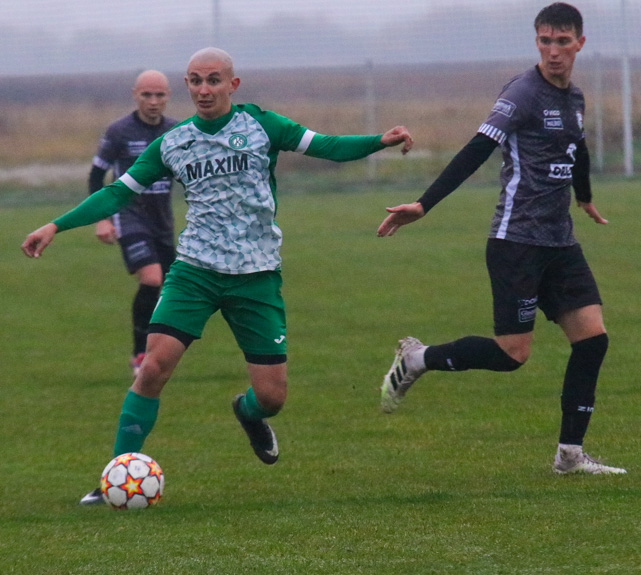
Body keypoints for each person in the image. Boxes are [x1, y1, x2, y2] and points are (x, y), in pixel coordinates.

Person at [22, 47, 414, 504]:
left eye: (213, 80)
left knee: (272, 398)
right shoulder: (172, 142)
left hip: (256, 275)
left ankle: (247, 413)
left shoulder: (263, 125)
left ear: (233, 84)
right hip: (195, 271)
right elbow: (115, 194)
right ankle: (112, 478)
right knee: (152, 368)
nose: (203, 90)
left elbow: (326, 146)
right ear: (186, 86)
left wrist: (378, 141)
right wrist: (56, 225)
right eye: (194, 80)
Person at [376, 3, 624, 475]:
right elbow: (478, 148)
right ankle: (417, 359)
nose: (553, 52)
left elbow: (578, 147)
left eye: (563, 42)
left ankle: (570, 455)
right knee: (513, 355)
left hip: (560, 242)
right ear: (537, 43)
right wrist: (423, 204)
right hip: (517, 242)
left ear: (580, 44)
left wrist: (585, 197)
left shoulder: (574, 98)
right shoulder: (522, 93)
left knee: (592, 341)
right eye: (545, 41)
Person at [89, 70, 178, 377]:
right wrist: (102, 218)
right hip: (129, 215)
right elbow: (95, 177)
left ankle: (159, 350)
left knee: (171, 289)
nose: (153, 102)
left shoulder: (176, 132)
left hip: (162, 220)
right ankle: (140, 354)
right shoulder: (119, 131)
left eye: (159, 95)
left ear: (168, 96)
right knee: (151, 278)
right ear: (135, 95)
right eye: (147, 95)